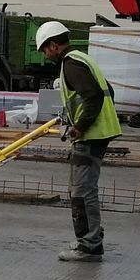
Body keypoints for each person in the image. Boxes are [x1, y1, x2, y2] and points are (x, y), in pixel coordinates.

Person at [37, 21, 121, 262]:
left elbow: (93, 95)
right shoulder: (81, 59)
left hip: (91, 135)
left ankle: (90, 245)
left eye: (45, 50)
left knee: (82, 192)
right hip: (97, 133)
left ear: (53, 46)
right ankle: (90, 236)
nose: (45, 55)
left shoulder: (70, 64)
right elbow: (107, 91)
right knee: (82, 189)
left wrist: (79, 127)